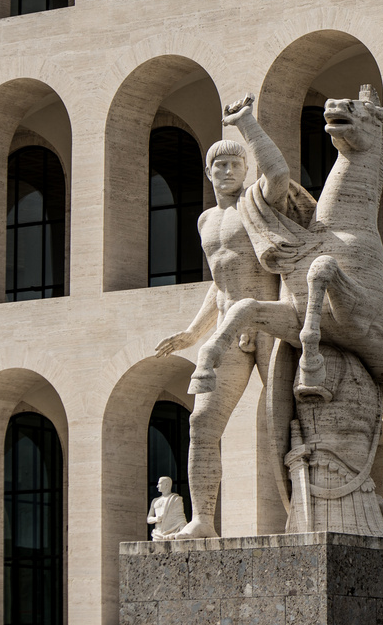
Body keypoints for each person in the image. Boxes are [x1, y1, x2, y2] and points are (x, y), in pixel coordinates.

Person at [154, 96, 311, 539]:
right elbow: (220, 281)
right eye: (218, 166)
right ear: (208, 174)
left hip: (268, 325)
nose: (226, 172)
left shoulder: (257, 203)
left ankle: (300, 517)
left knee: (286, 421)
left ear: (245, 172)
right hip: (227, 326)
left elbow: (278, 173)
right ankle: (203, 519)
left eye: (234, 166)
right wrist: (192, 331)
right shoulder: (206, 220)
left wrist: (246, 124)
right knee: (201, 421)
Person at [146, 475, 187, 540]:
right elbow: (148, 519)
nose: (157, 486)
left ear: (166, 485)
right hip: (157, 533)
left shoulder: (176, 499)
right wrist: (156, 519)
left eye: (159, 483)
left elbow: (180, 517)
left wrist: (183, 532)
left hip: (171, 532)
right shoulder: (155, 500)